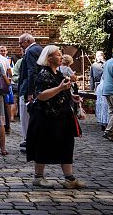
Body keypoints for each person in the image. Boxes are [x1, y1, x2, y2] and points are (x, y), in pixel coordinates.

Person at [26, 45, 85, 189]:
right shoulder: (43, 74)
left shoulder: (58, 74)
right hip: (46, 116)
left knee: (66, 144)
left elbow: (61, 90)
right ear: (49, 58)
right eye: (58, 54)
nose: (61, 57)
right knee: (44, 145)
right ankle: (38, 177)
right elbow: (41, 95)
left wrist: (71, 95)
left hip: (62, 116)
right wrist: (60, 88)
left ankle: (69, 178)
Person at [18, 33, 42, 152]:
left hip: (28, 87)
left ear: (27, 41)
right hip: (36, 87)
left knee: (26, 116)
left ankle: (29, 140)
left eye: (21, 43)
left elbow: (32, 71)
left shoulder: (31, 51)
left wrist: (30, 92)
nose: (20, 45)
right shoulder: (39, 49)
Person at [0, 45, 13, 134]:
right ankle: (7, 126)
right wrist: (8, 82)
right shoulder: (5, 59)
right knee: (5, 104)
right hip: (4, 83)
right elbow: (10, 73)